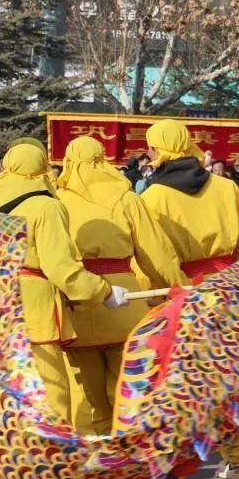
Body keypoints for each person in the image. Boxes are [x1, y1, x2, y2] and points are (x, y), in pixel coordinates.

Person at [0, 142, 123, 423]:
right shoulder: (46, 207)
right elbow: (60, 268)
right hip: (34, 307)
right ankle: (49, 446)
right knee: (50, 392)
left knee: (8, 388)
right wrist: (103, 290)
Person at [55, 136, 187, 434]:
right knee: (128, 390)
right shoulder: (126, 198)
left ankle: (92, 452)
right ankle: (128, 449)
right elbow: (156, 253)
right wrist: (175, 288)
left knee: (86, 394)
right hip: (127, 304)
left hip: (78, 303)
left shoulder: (57, 201)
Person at [138, 119, 239, 479]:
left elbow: (152, 254)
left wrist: (160, 296)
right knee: (231, 371)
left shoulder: (152, 198)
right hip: (231, 284)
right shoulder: (227, 186)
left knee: (191, 377)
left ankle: (182, 452)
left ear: (157, 149)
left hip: (188, 291)